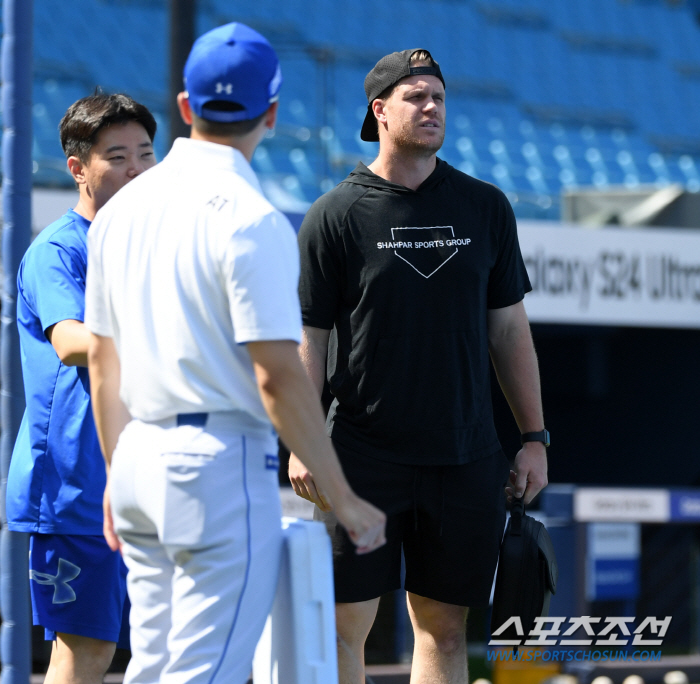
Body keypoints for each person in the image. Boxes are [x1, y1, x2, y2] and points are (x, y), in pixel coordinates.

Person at [83, 23, 386, 684]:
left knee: (154, 669)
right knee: (204, 674)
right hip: (213, 467)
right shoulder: (252, 218)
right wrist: (345, 497)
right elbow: (276, 374)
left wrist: (116, 473)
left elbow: (104, 364)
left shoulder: (118, 211)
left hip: (135, 458)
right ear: (272, 113)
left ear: (185, 109)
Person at [289, 48, 549, 683]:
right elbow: (310, 339)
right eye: (415, 97)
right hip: (360, 455)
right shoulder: (334, 214)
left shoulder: (486, 207)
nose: (432, 107)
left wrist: (534, 437)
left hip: (464, 455)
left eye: (438, 97)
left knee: (446, 627)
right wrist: (301, 443)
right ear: (379, 110)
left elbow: (509, 328)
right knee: (345, 625)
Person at [6, 93, 157, 684]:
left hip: (147, 479)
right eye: (117, 156)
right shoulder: (58, 250)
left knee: (159, 649)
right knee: (88, 650)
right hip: (73, 492)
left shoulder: (151, 246)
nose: (137, 169)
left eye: (145, 153)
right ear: (78, 169)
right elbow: (72, 342)